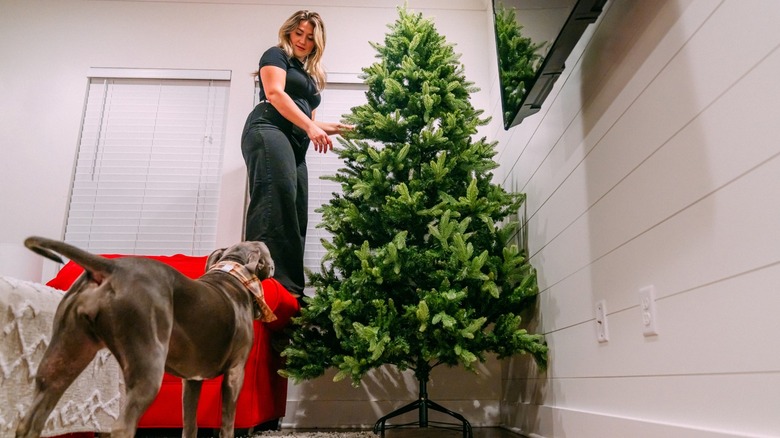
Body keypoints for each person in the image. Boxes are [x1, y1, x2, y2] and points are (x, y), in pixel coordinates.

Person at [241, 10, 352, 304]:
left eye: (309, 36)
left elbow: (309, 120)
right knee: (274, 199)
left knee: (295, 212)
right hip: (269, 127)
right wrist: (311, 126)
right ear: (289, 32)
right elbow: (275, 94)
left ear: (318, 42)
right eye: (298, 33)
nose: (302, 40)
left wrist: (339, 128)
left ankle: (290, 291)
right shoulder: (276, 56)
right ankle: (263, 280)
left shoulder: (311, 76)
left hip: (295, 140)